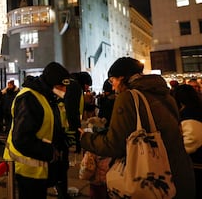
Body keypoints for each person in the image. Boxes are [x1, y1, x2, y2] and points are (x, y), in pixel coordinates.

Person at [79, 57, 195, 198]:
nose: (113, 86)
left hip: (152, 179)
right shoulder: (165, 95)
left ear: (122, 78)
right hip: (179, 172)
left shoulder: (128, 97)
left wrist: (85, 138)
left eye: (112, 81)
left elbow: (114, 145)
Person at [3, 62, 71, 199]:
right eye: (60, 86)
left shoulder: (48, 97)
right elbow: (21, 139)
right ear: (50, 83)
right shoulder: (30, 98)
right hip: (28, 168)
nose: (64, 90)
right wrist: (49, 151)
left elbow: (49, 125)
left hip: (40, 167)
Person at [173, 84, 202, 199]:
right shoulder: (195, 109)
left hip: (196, 164)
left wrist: (178, 154)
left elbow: (192, 139)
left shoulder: (189, 113)